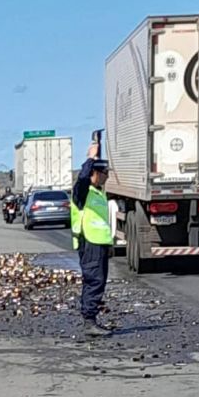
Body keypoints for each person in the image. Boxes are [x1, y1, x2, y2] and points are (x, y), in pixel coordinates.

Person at [71, 143, 113, 337]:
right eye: (104, 172)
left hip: (99, 243)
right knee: (94, 280)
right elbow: (82, 178)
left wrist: (109, 244)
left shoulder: (98, 193)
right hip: (89, 243)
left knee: (100, 281)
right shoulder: (83, 192)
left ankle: (92, 318)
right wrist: (90, 158)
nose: (107, 176)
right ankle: (89, 321)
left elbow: (102, 221)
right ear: (95, 173)